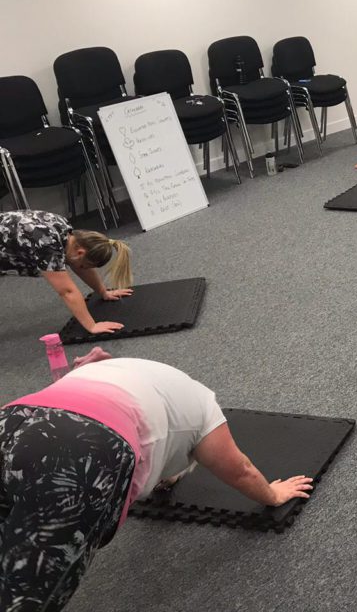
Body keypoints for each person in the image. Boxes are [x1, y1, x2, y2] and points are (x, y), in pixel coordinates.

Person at [0, 351, 313, 611]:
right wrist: (271, 494)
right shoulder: (205, 408)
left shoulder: (133, 373)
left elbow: (87, 371)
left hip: (14, 417)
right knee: (29, 591)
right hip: (86, 445)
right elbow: (239, 469)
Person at [0, 210, 133, 334]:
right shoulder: (48, 246)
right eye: (83, 266)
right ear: (80, 252)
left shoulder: (65, 230)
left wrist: (103, 292)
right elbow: (67, 291)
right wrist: (92, 326)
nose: (83, 269)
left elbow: (80, 266)